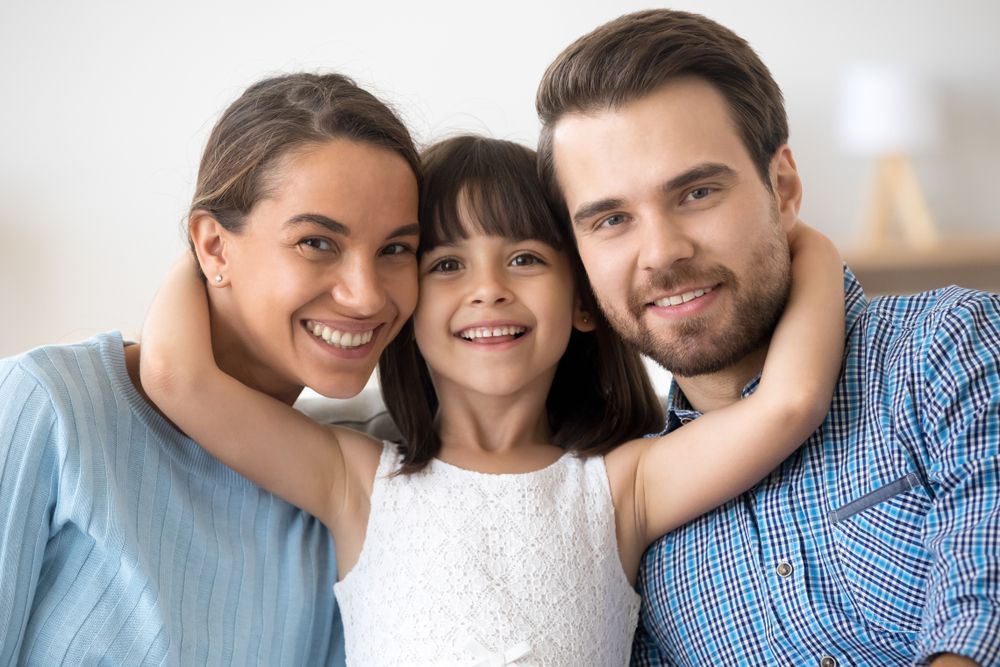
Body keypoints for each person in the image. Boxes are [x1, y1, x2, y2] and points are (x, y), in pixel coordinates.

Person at [138, 134, 844, 665]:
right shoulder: (354, 480)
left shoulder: (624, 485)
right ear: (405, 302)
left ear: (586, 302)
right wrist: (213, 246)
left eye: (526, 258)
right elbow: (178, 378)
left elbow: (790, 403)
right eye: (446, 264)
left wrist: (801, 237)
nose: (488, 288)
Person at [535, 9, 1000, 667]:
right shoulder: (632, 527)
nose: (662, 253)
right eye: (611, 219)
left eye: (695, 192)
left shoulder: (946, 348)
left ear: (783, 187)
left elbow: (986, 606)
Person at [0, 71, 421, 665]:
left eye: (395, 249)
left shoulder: (345, 478)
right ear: (214, 246)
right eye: (317, 243)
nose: (367, 296)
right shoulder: (45, 406)